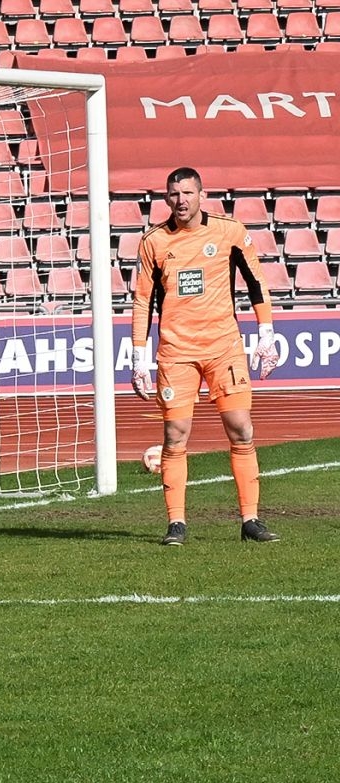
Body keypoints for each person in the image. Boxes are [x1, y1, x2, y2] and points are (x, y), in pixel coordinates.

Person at [132, 166, 281, 546]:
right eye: (173, 194)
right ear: (166, 198)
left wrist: (266, 333)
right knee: (175, 435)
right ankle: (176, 524)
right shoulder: (154, 242)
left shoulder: (229, 232)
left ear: (202, 195)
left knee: (241, 429)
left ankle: (250, 520)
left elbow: (256, 281)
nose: (180, 200)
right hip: (176, 352)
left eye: (187, 193)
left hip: (223, 348)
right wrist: (138, 357)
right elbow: (143, 301)